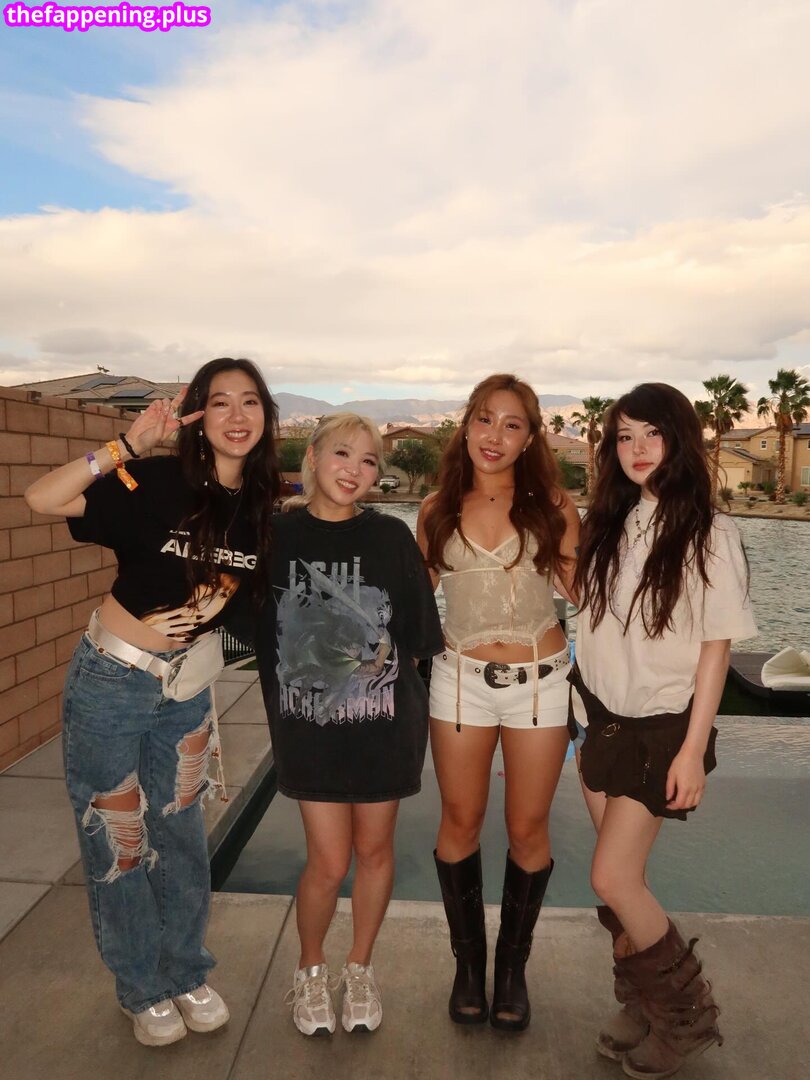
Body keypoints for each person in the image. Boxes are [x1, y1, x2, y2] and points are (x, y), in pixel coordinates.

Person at [24, 357, 280, 1046]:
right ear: (199, 416)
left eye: (249, 401)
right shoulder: (161, 479)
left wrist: (214, 626)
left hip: (185, 690)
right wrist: (126, 446)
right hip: (112, 681)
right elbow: (42, 499)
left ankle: (186, 970)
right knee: (119, 842)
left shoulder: (261, 510)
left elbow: (252, 608)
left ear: (266, 416)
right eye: (220, 401)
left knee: (182, 838)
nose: (236, 415)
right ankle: (140, 986)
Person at [570, 383, 756, 1079]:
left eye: (651, 433)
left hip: (662, 728)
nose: (638, 448)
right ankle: (644, 1002)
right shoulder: (609, 522)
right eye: (624, 436)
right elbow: (594, 620)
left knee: (612, 876)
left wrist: (693, 750)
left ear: (679, 439)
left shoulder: (710, 533)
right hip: (599, 719)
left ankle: (686, 1017)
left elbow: (715, 650)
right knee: (621, 883)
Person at [256, 414, 443, 1038]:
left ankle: (360, 968)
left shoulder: (390, 536)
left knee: (375, 852)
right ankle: (310, 970)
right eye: (342, 453)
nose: (354, 471)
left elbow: (416, 640)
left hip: (383, 729)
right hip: (308, 733)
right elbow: (244, 623)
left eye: (368, 462)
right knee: (329, 862)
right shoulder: (272, 536)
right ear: (312, 457)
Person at [417, 374, 580, 1031]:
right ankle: (468, 966)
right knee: (459, 820)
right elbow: (407, 597)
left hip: (541, 682)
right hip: (458, 681)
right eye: (484, 419)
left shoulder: (554, 505)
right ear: (466, 425)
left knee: (527, 828)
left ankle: (511, 970)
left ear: (530, 437)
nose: (494, 435)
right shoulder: (437, 508)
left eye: (512, 425)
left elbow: (587, 592)